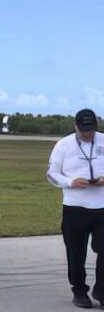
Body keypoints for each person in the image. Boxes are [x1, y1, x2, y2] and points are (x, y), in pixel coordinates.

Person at [47, 109, 104, 308]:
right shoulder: (63, 145)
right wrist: (71, 181)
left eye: (91, 130)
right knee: (76, 253)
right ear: (75, 126)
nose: (88, 134)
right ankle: (79, 291)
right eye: (83, 130)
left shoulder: (103, 140)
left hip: (102, 207)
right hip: (75, 208)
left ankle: (101, 290)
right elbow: (52, 174)